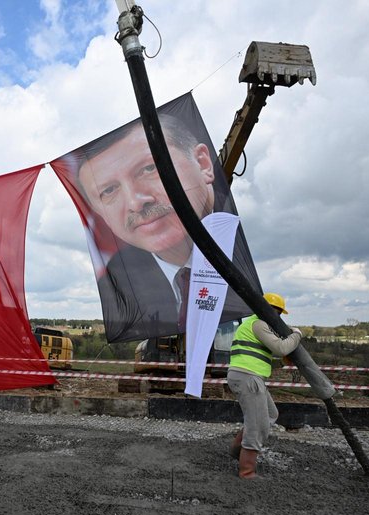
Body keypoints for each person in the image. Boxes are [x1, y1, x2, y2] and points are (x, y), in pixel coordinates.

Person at [68, 103, 258, 343]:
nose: (136, 203)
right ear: (99, 213)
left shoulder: (233, 241)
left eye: (149, 169)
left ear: (203, 163)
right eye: (109, 190)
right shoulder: (120, 276)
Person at [226, 292, 302, 479]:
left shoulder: (256, 324)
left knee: (269, 414)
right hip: (248, 377)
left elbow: (275, 349)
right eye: (274, 311)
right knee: (258, 426)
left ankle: (237, 451)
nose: (276, 316)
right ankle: (247, 472)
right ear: (264, 308)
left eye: (279, 313)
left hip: (248, 376)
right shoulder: (258, 323)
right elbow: (281, 348)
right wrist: (297, 334)